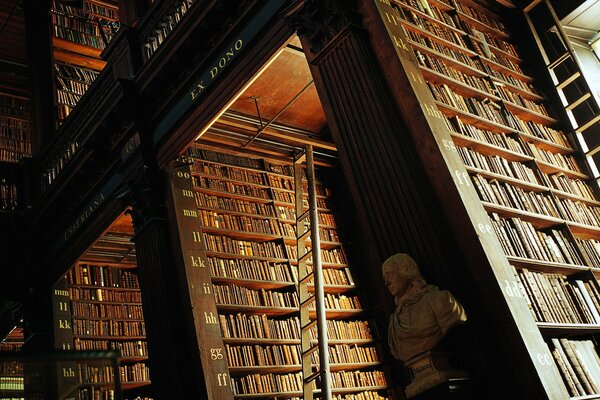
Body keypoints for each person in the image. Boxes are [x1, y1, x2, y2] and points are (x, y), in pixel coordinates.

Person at [382, 253, 467, 362]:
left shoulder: (438, 300)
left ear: (406, 272)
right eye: (384, 277)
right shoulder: (394, 322)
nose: (386, 282)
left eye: (390, 274)